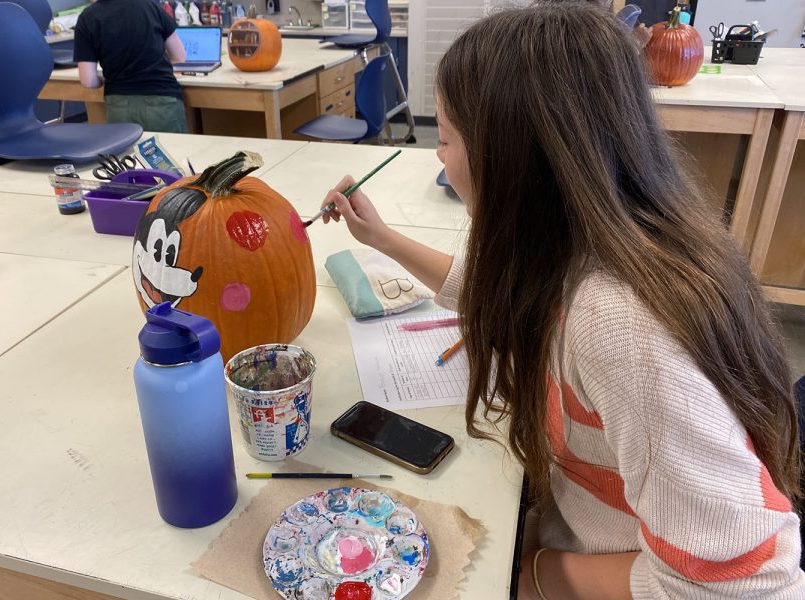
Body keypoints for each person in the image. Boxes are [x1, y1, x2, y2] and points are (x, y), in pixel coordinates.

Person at [319, 3, 804, 598]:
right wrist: (382, 239)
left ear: (514, 160)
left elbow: (751, 583)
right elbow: (498, 291)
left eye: (445, 141)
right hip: (565, 527)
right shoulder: (590, 244)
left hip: (583, 567)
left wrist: (528, 575)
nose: (441, 160)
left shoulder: (616, 323)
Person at [73, 0, 188, 133]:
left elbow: (88, 81)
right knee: (171, 151)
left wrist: (102, 79)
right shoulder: (150, 6)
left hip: (119, 104)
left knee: (125, 153)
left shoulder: (86, 17)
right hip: (162, 99)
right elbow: (180, 57)